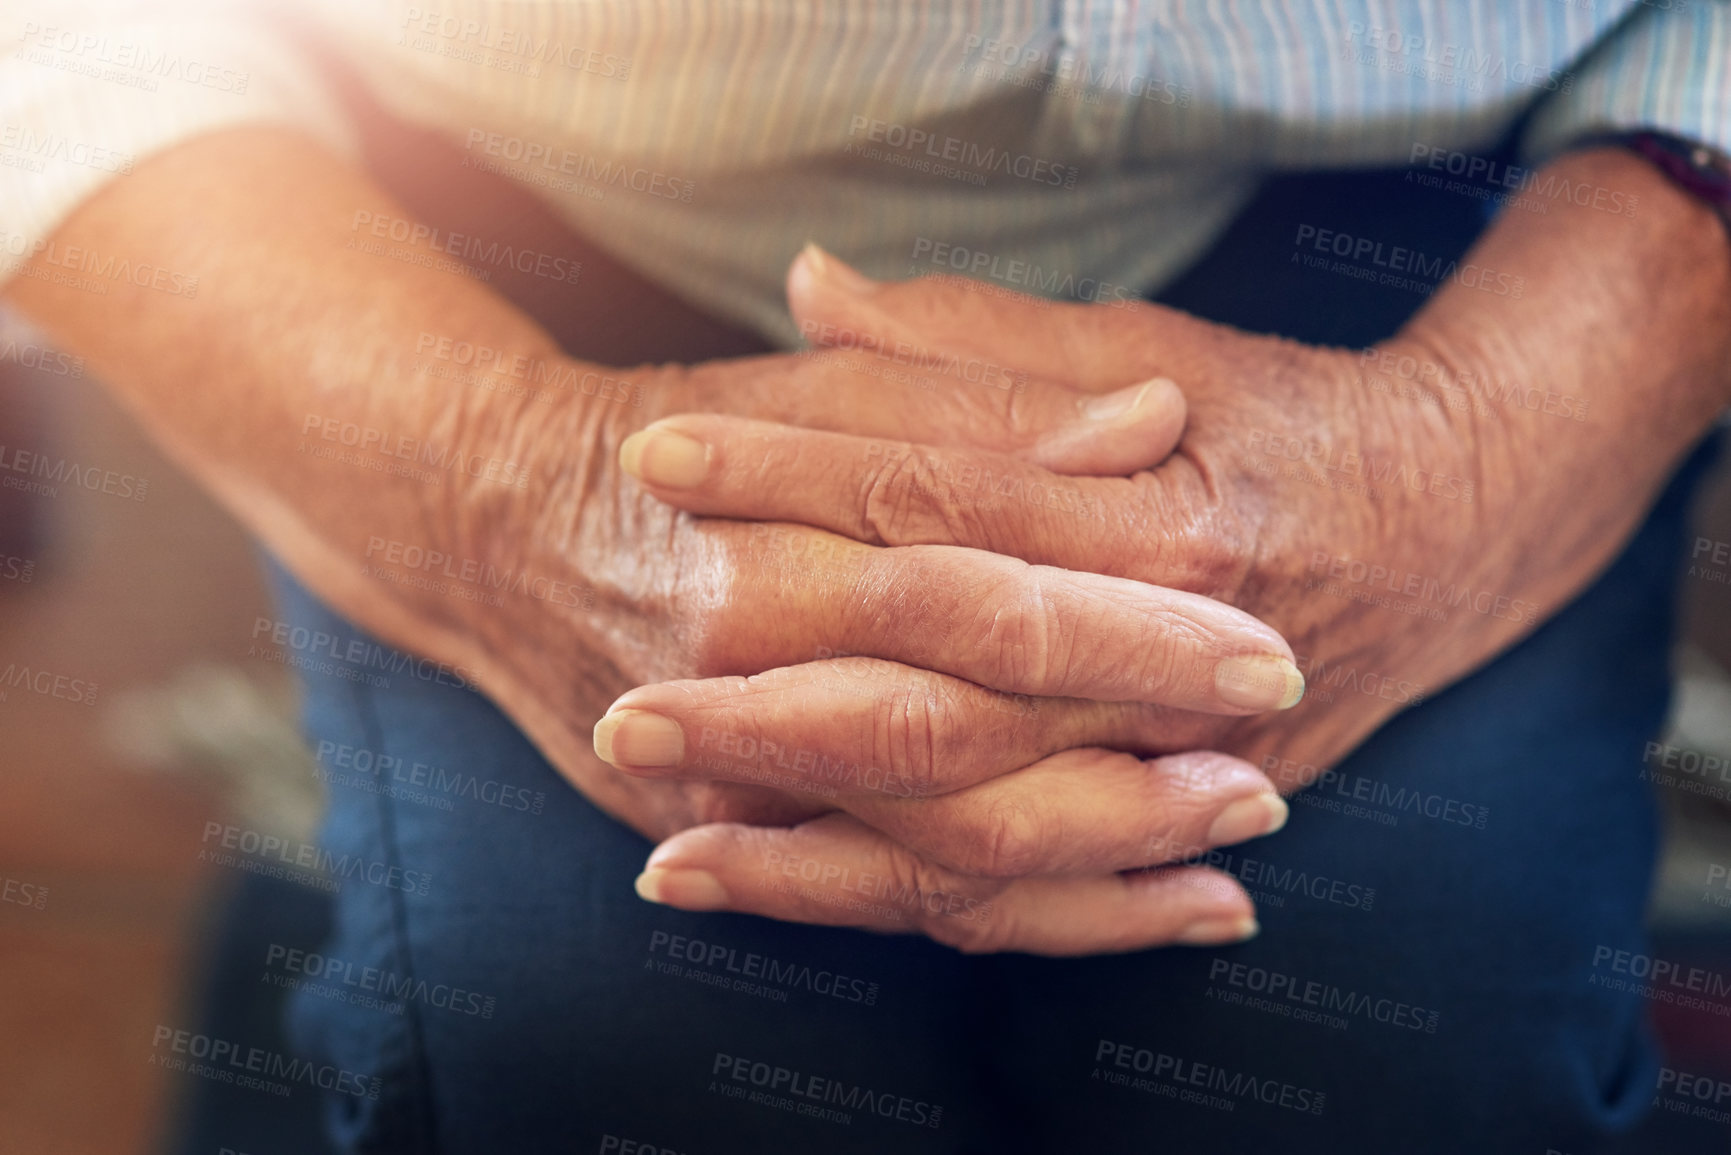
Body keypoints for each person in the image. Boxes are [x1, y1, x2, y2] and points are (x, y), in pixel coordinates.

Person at [3, 0, 1729, 1150]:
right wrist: (480, 463)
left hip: (1479, 204)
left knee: (1382, 1073)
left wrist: (1484, 427)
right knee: (586, 1059)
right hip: (516, 212)